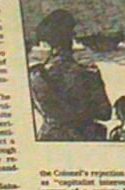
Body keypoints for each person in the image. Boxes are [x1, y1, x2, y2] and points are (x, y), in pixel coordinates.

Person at [28, 9, 110, 142]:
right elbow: (105, 113)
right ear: (71, 39)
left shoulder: (35, 75)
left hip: (51, 138)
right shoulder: (88, 73)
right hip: (86, 136)